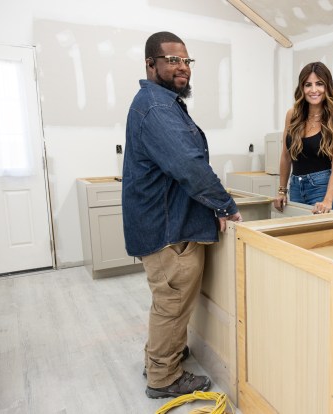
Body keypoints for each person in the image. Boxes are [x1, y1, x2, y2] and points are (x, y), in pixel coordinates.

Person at [122, 31, 242, 399]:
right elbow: (188, 166)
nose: (182, 68)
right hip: (168, 230)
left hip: (167, 224)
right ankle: (163, 377)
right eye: (172, 60)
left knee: (169, 303)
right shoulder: (157, 108)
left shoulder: (160, 102)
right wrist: (225, 205)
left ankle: (162, 356)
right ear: (151, 64)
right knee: (172, 305)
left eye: (186, 61)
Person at [273, 62, 333, 215]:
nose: (314, 90)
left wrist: (328, 199)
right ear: (302, 88)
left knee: (321, 235)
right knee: (297, 236)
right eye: (308, 85)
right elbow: (286, 156)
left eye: (319, 84)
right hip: (295, 186)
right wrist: (282, 190)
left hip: (322, 187)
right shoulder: (292, 115)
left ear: (327, 86)